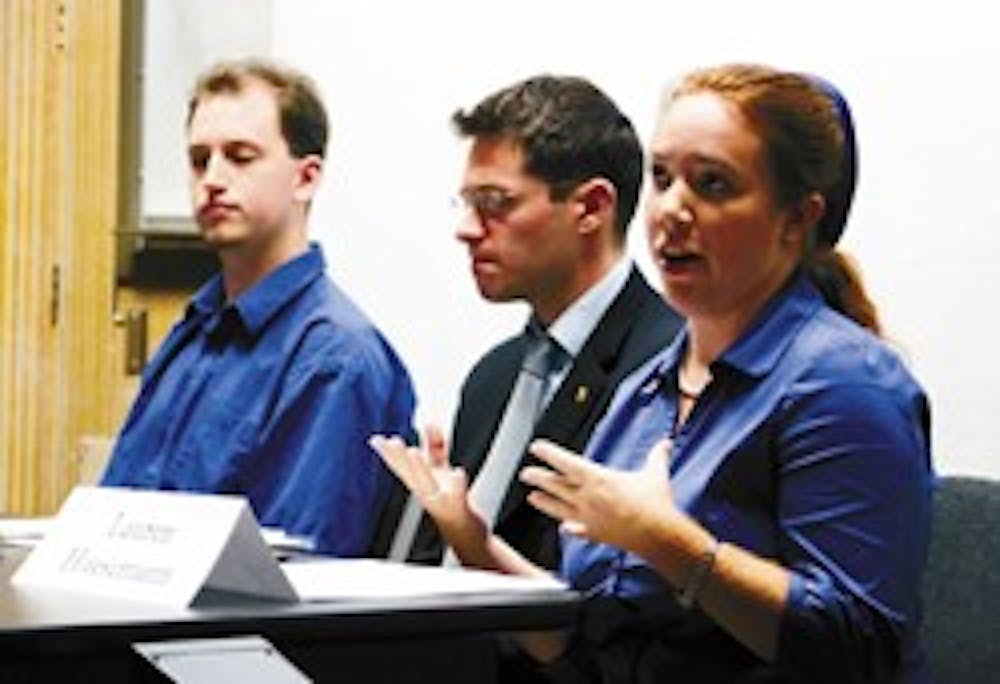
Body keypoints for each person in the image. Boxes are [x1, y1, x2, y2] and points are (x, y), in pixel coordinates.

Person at [371, 64, 933, 683]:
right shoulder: (647, 389)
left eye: (713, 185)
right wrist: (474, 543)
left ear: (796, 219)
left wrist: (671, 545)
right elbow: (589, 643)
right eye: (662, 178)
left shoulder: (844, 384)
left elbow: (858, 649)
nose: (671, 210)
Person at [101, 60, 416, 557]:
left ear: (306, 179)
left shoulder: (335, 357)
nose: (213, 179)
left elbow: (297, 569)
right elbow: (112, 518)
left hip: (235, 631)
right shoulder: (192, 332)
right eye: (199, 159)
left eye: (241, 157)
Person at [370, 75, 682, 568]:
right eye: (468, 203)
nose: (466, 230)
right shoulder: (493, 377)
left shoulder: (667, 369)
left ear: (591, 208)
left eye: (495, 204)